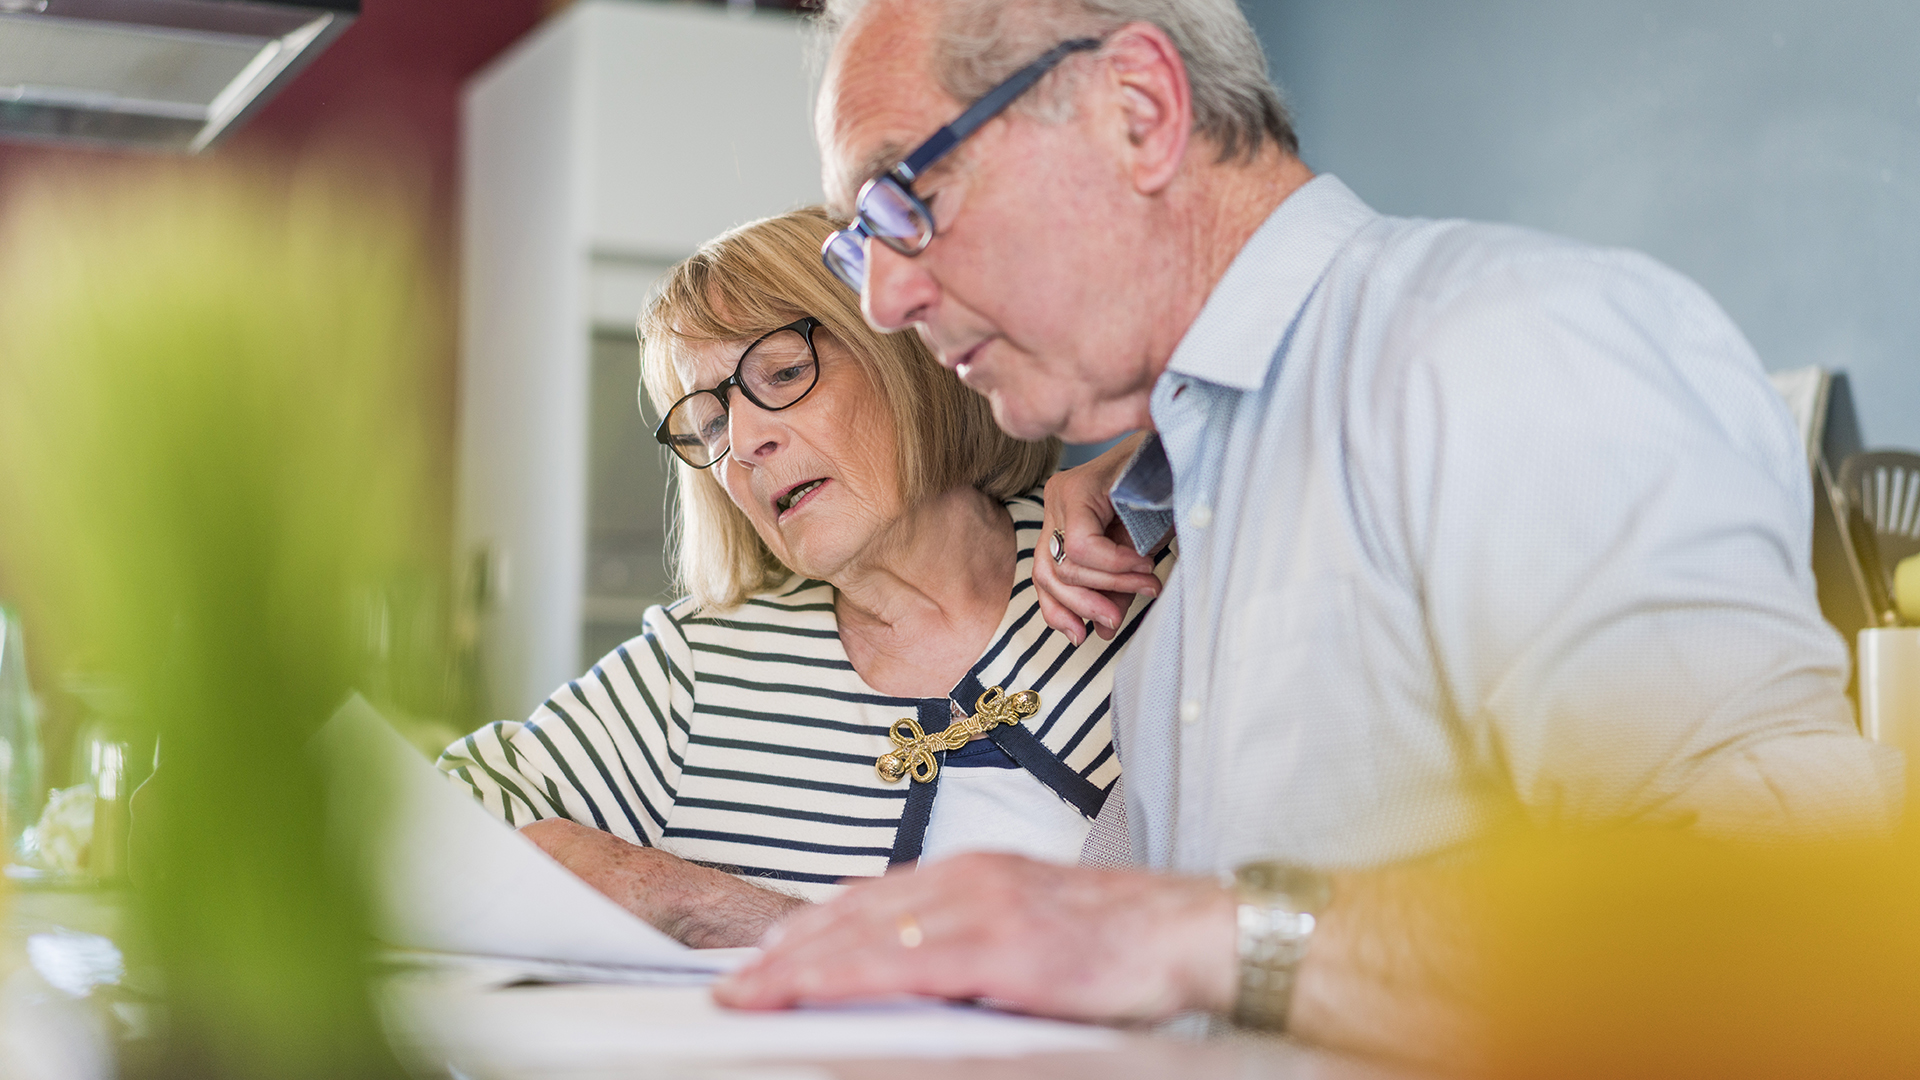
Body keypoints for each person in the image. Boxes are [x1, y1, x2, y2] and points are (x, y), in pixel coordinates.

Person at [712, 0, 1900, 1061]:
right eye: (857, 243)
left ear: (1137, 111)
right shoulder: (1195, 478)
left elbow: (1806, 937)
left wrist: (1211, 938)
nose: (883, 299)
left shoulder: (1508, 345)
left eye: (901, 200)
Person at [439, 207, 1168, 948]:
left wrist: (1162, 467)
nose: (746, 444)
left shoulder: (1130, 566)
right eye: (711, 424)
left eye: (784, 373)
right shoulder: (699, 669)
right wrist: (666, 891)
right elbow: (424, 829)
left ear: (908, 352)